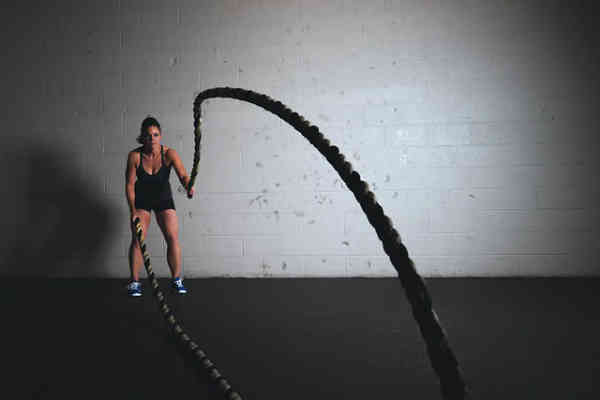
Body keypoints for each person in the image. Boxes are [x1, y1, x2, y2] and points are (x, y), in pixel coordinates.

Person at [125, 116, 195, 297]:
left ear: (160, 136)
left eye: (155, 135)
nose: (152, 138)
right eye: (148, 135)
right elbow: (130, 185)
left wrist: (189, 186)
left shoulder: (169, 154)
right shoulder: (135, 156)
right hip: (142, 200)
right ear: (143, 137)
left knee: (172, 237)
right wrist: (132, 211)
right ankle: (134, 282)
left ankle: (177, 279)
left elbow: (183, 175)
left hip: (164, 199)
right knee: (138, 240)